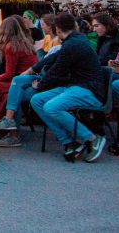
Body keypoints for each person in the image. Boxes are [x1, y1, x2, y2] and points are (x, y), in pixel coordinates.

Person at [28, 13, 108, 163]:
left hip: (89, 90)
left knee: (51, 107)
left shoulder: (73, 44)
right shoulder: (75, 41)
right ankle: (69, 142)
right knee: (37, 100)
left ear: (58, 31)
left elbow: (57, 69)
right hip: (76, 87)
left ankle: (91, 138)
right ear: (74, 26)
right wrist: (34, 69)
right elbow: (55, 58)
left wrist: (40, 84)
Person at [0, 16, 40, 147]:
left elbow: (9, 74)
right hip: (31, 81)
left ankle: (11, 132)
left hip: (20, 82)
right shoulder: (26, 43)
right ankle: (11, 130)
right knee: (6, 91)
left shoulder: (11, 47)